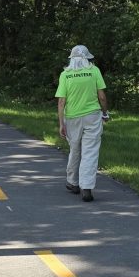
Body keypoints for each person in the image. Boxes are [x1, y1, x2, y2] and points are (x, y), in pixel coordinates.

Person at [55, 44, 109, 202]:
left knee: (75, 149)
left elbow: (61, 102)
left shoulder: (65, 75)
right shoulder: (94, 71)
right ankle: (87, 188)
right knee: (90, 152)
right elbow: (102, 97)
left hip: (72, 118)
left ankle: (72, 182)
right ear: (87, 58)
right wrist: (105, 113)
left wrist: (61, 123)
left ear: (71, 59)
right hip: (92, 116)